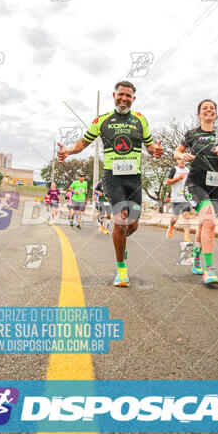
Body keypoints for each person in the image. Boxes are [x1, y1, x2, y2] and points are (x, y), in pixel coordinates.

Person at [57, 80, 163, 287]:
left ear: (133, 99)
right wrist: (68, 151)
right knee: (119, 220)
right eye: (121, 95)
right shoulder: (102, 120)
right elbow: (83, 143)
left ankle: (121, 244)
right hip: (112, 176)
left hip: (134, 178)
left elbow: (150, 147)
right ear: (114, 95)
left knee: (132, 224)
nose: (124, 99)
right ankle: (121, 269)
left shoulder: (140, 120)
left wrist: (155, 152)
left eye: (128, 96)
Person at [174, 99, 218, 285]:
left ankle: (195, 256)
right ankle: (209, 269)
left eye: (212, 108)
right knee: (209, 221)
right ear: (199, 115)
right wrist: (182, 155)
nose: (209, 110)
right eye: (205, 108)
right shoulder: (191, 134)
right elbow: (176, 153)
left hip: (216, 184)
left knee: (205, 224)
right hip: (195, 183)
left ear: (216, 114)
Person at [165, 158, 191, 242]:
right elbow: (168, 182)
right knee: (175, 218)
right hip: (176, 197)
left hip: (185, 197)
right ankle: (171, 226)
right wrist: (178, 178)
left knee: (186, 216)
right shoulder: (174, 170)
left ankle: (186, 238)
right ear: (177, 160)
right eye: (180, 159)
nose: (182, 161)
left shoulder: (188, 170)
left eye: (183, 159)